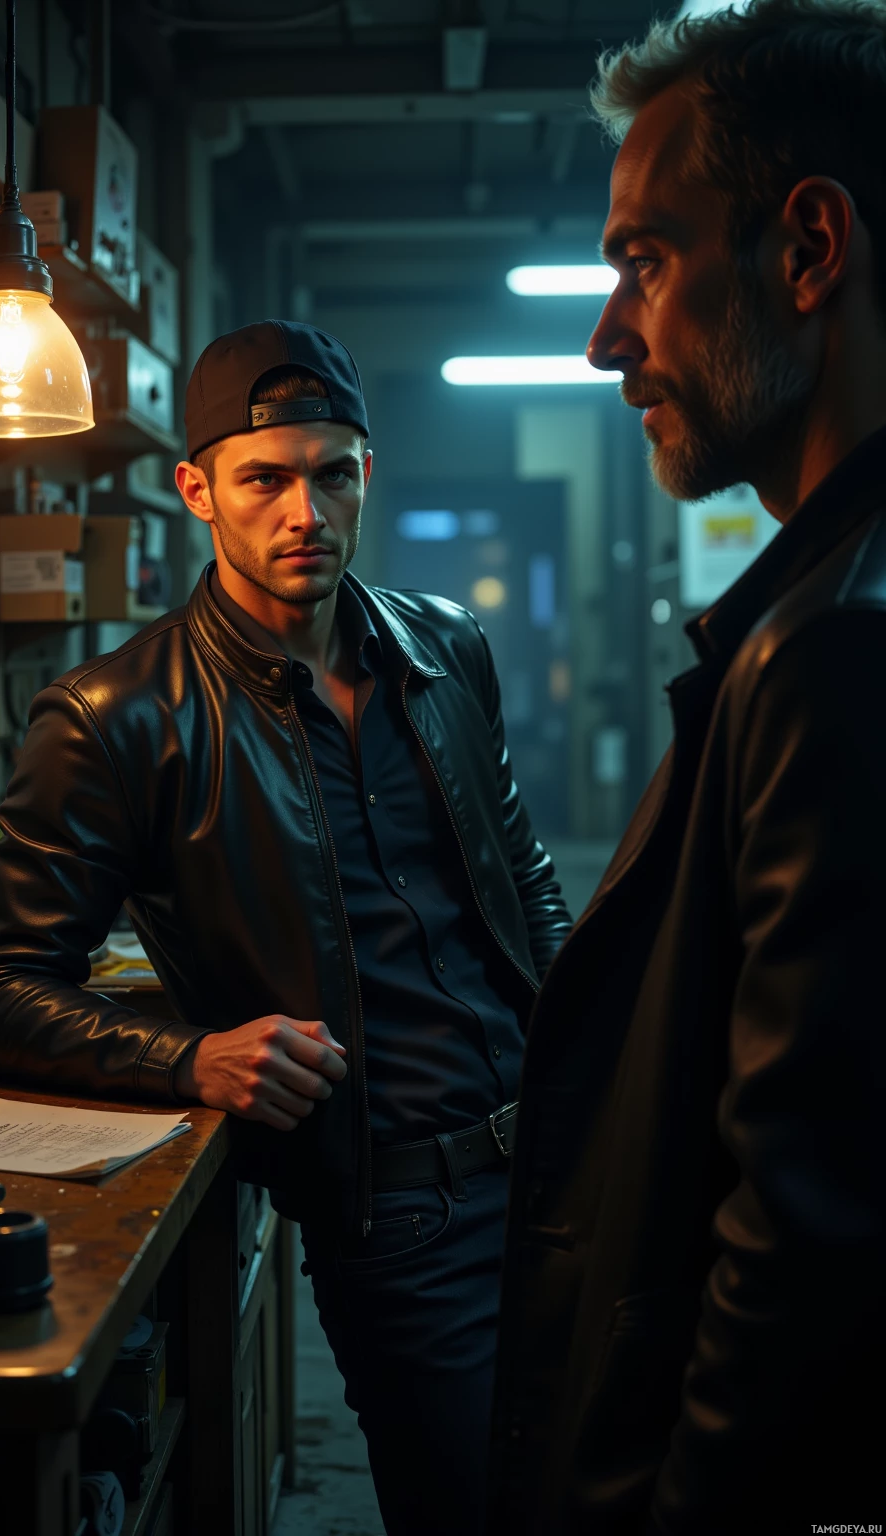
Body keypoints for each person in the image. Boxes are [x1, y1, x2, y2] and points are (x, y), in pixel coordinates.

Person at [0, 320, 572, 1536]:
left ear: (366, 475)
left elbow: (521, 879)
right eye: (264, 479)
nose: (304, 512)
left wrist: (586, 1047)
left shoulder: (443, 650)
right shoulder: (115, 718)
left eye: (331, 473)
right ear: (198, 491)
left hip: (564, 1160)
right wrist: (189, 1055)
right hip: (400, 1215)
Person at [491, 2, 886, 1531]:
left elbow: (803, 1246)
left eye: (645, 261)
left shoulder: (833, 649)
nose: (608, 336)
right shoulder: (812, 610)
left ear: (806, 250)